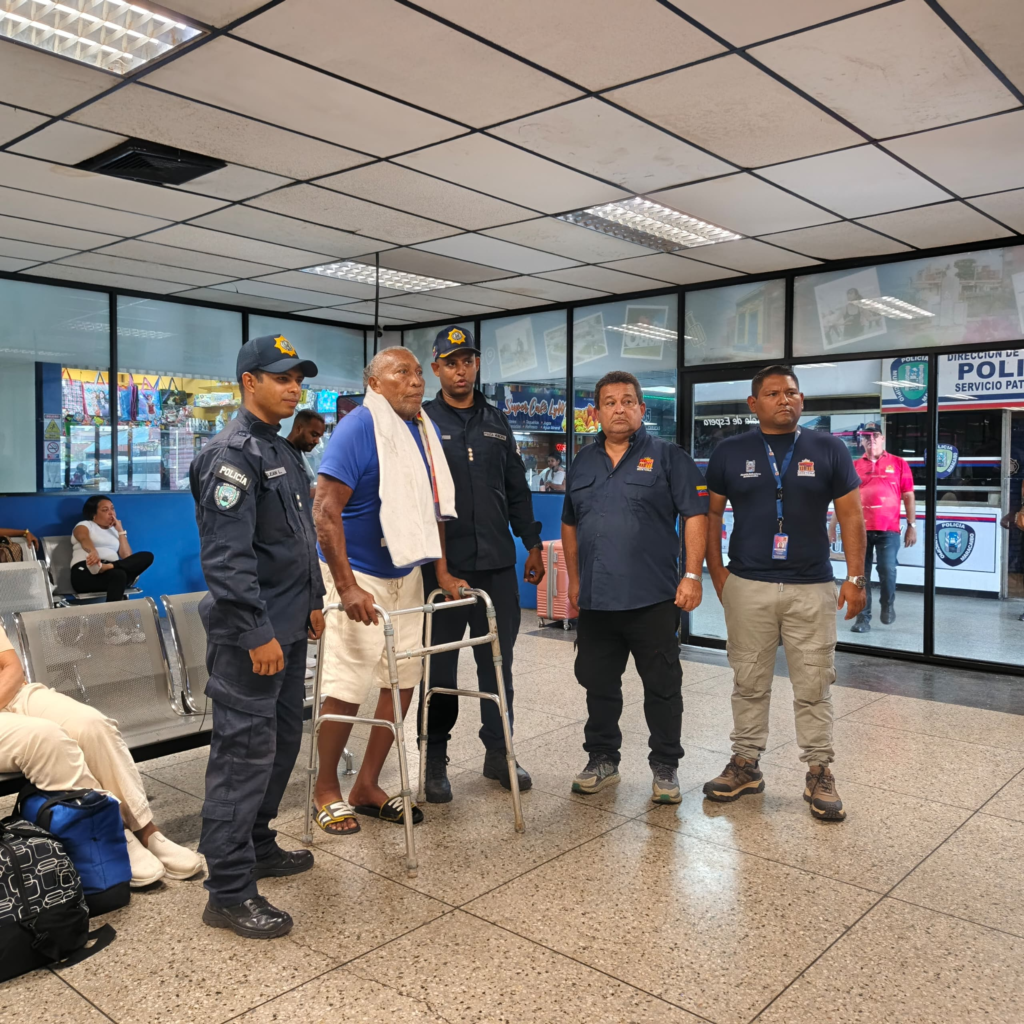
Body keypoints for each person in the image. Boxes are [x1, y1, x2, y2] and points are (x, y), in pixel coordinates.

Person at [189, 334, 326, 940]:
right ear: (250, 383)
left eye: (298, 378)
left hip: (290, 627)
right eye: (281, 378)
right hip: (254, 638)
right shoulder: (231, 455)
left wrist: (316, 601)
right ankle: (228, 890)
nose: (294, 387)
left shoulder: (282, 449)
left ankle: (258, 842)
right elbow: (227, 560)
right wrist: (254, 630)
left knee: (282, 742)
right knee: (242, 757)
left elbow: (299, 537)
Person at [311, 348, 467, 834]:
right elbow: (324, 511)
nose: (416, 381)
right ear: (375, 383)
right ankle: (326, 789)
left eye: (419, 373)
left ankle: (368, 786)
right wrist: (346, 586)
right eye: (402, 372)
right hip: (359, 573)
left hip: (407, 571)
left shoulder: (420, 431)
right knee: (347, 684)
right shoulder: (360, 427)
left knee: (401, 681)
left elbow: (432, 510)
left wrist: (441, 572)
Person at [702, 365, 867, 822]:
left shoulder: (829, 448)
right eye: (773, 393)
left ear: (802, 400)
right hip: (748, 584)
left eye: (792, 392)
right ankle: (746, 764)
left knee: (814, 683)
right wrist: (716, 572)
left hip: (812, 587)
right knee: (748, 680)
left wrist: (855, 578)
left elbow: (852, 517)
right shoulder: (729, 452)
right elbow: (710, 517)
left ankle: (819, 770)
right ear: (754, 404)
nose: (785, 400)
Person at [561, 370, 708, 805]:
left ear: (643, 409)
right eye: (609, 402)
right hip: (597, 600)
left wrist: (693, 575)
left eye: (628, 401)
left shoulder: (668, 456)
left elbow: (696, 514)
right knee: (598, 684)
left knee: (663, 686)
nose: (619, 408)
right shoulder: (582, 462)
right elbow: (570, 523)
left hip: (654, 598)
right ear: (596, 413)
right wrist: (573, 579)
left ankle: (665, 766)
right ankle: (602, 758)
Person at [420, 326, 545, 802]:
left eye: (467, 360)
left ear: (476, 365)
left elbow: (517, 489)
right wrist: (437, 567)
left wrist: (531, 543)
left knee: (498, 665)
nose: (460, 369)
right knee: (441, 672)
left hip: (496, 567)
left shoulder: (497, 422)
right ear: (436, 368)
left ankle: (500, 752)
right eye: (451, 362)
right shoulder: (424, 423)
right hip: (443, 571)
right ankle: (435, 760)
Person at [0, 622, 202, 887]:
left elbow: (12, 667)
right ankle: (113, 834)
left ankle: (145, 829)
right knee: (46, 739)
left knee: (92, 725)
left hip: (13, 693)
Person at [829, 421, 916, 633]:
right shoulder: (855, 466)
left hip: (888, 529)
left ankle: (887, 603)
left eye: (875, 435)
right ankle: (863, 618)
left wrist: (911, 525)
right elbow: (844, 499)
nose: (871, 440)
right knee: (860, 574)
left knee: (887, 569)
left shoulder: (899, 463)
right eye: (866, 436)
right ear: (861, 441)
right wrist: (833, 526)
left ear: (883, 438)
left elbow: (908, 495)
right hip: (859, 530)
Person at [70, 496, 154, 604]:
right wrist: (92, 551)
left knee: (147, 556)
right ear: (94, 515)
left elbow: (127, 557)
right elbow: (83, 537)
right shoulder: (85, 525)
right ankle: (111, 619)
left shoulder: (115, 531)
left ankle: (107, 567)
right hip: (86, 572)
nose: (111, 513)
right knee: (118, 575)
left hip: (113, 571)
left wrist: (120, 531)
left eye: (112, 509)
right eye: (105, 510)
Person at [285, 408, 326, 500]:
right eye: (314, 435)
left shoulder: (299, 453)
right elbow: (291, 494)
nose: (317, 441)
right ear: (299, 428)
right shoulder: (283, 456)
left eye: (319, 437)